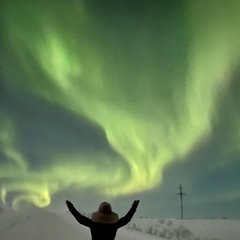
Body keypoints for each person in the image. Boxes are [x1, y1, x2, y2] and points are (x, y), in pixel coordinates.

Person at [66, 199, 140, 240]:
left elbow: (80, 219)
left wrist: (71, 208)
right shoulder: (114, 224)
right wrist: (133, 208)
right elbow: (126, 219)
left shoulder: (94, 223)